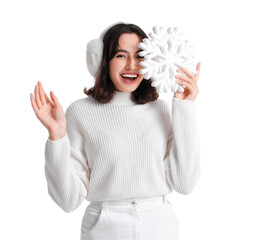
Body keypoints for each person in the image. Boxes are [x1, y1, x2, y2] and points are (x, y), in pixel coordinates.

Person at [30, 22, 201, 240]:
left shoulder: (161, 109)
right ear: (102, 60)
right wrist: (57, 135)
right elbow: (67, 200)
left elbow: (185, 183)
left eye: (140, 56)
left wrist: (185, 108)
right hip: (104, 227)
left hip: (159, 226)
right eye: (121, 56)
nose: (132, 65)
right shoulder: (80, 112)